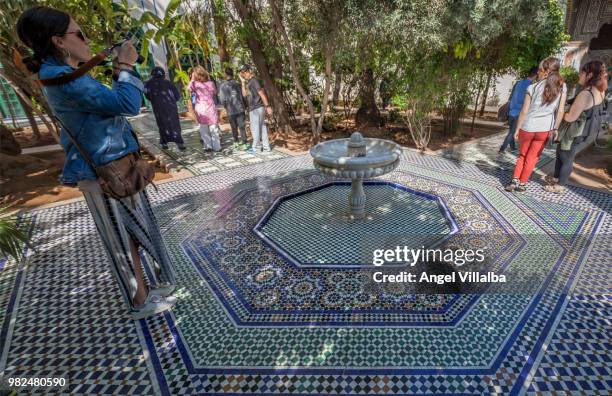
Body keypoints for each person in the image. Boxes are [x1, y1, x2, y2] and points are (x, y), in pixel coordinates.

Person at [17, 6, 177, 319]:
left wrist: (119, 70)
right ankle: (139, 302)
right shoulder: (62, 78)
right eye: (80, 33)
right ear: (59, 41)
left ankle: (148, 289)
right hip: (101, 170)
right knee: (119, 237)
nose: (87, 39)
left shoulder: (66, 74)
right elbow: (128, 104)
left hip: (113, 164)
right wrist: (127, 68)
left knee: (132, 231)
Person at [544, 60, 608, 193]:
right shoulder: (600, 91)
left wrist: (561, 109)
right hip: (586, 131)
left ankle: (559, 186)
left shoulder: (586, 94)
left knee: (565, 156)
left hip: (575, 132)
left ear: (589, 75)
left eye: (582, 73)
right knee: (562, 153)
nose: (579, 75)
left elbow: (570, 117)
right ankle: (556, 178)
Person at [505, 57, 567, 192]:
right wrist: (555, 128)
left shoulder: (532, 87)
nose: (538, 72)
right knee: (532, 157)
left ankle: (514, 181)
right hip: (544, 129)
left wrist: (517, 128)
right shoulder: (562, 87)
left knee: (522, 155)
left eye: (540, 70)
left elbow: (524, 111)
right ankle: (522, 184)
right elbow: (560, 110)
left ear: (546, 71)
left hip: (528, 126)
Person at [144, 67, 186, 151]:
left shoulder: (148, 84)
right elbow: (177, 96)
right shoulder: (169, 83)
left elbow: (147, 95)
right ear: (163, 74)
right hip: (171, 107)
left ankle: (164, 143)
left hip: (158, 107)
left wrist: (155, 100)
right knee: (174, 123)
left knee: (162, 123)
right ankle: (179, 143)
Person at [499, 67, 539, 153]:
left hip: (511, 111)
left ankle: (512, 147)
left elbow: (512, 96)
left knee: (511, 130)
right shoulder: (532, 86)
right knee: (512, 132)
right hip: (519, 113)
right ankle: (502, 148)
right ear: (536, 75)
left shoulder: (518, 83)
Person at [239, 64, 272, 154]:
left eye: (245, 72)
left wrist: (268, 106)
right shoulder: (249, 82)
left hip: (256, 108)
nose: (244, 74)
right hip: (255, 108)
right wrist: (242, 82)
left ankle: (256, 148)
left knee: (255, 129)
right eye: (242, 72)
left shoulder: (254, 81)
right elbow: (244, 94)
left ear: (250, 71)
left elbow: (261, 93)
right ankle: (266, 147)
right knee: (262, 127)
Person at [188, 65, 221, 151]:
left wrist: (192, 78)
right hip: (210, 107)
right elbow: (215, 92)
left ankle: (208, 146)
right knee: (214, 128)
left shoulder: (195, 84)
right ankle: (217, 147)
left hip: (201, 108)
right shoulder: (210, 83)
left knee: (203, 128)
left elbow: (189, 89)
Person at [219, 67, 248, 149]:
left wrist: (226, 107)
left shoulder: (223, 86)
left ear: (225, 74)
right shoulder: (238, 84)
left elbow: (222, 99)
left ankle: (236, 142)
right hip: (240, 108)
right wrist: (245, 106)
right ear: (233, 74)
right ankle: (245, 143)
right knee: (242, 126)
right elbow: (243, 96)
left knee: (234, 127)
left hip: (230, 110)